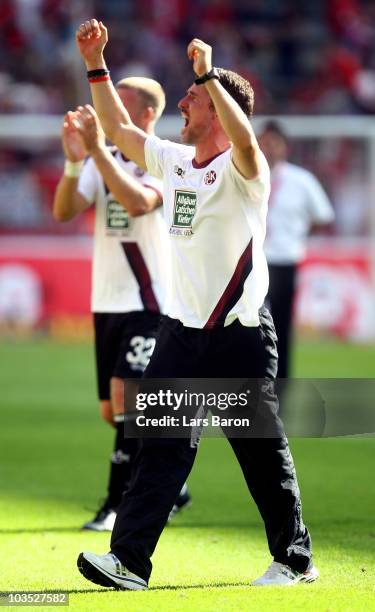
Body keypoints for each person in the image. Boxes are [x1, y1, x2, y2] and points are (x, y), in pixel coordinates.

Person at [75, 18, 318, 589]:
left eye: (193, 97)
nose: (181, 101)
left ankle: (294, 560)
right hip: (180, 336)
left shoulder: (245, 171)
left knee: (260, 455)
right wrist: (95, 63)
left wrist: (210, 74)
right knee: (158, 448)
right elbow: (115, 124)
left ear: (218, 108)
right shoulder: (172, 160)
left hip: (238, 336)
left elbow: (248, 140)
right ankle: (129, 563)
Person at [53, 77, 190, 531]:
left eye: (119, 104)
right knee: (113, 412)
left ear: (146, 113)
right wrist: (76, 164)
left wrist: (94, 151)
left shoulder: (162, 161)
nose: (107, 112)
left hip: (147, 300)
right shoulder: (103, 157)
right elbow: (64, 211)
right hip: (106, 300)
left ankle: (115, 506)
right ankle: (172, 484)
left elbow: (136, 203)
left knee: (127, 400)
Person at [259, 121, 335, 379]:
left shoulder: (300, 180)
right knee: (246, 321)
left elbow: (323, 216)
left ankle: (281, 379)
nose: (267, 147)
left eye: (273, 142)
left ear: (284, 147)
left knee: (281, 324)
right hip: (252, 258)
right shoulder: (247, 175)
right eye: (263, 141)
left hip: (284, 259)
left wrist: (298, 236)